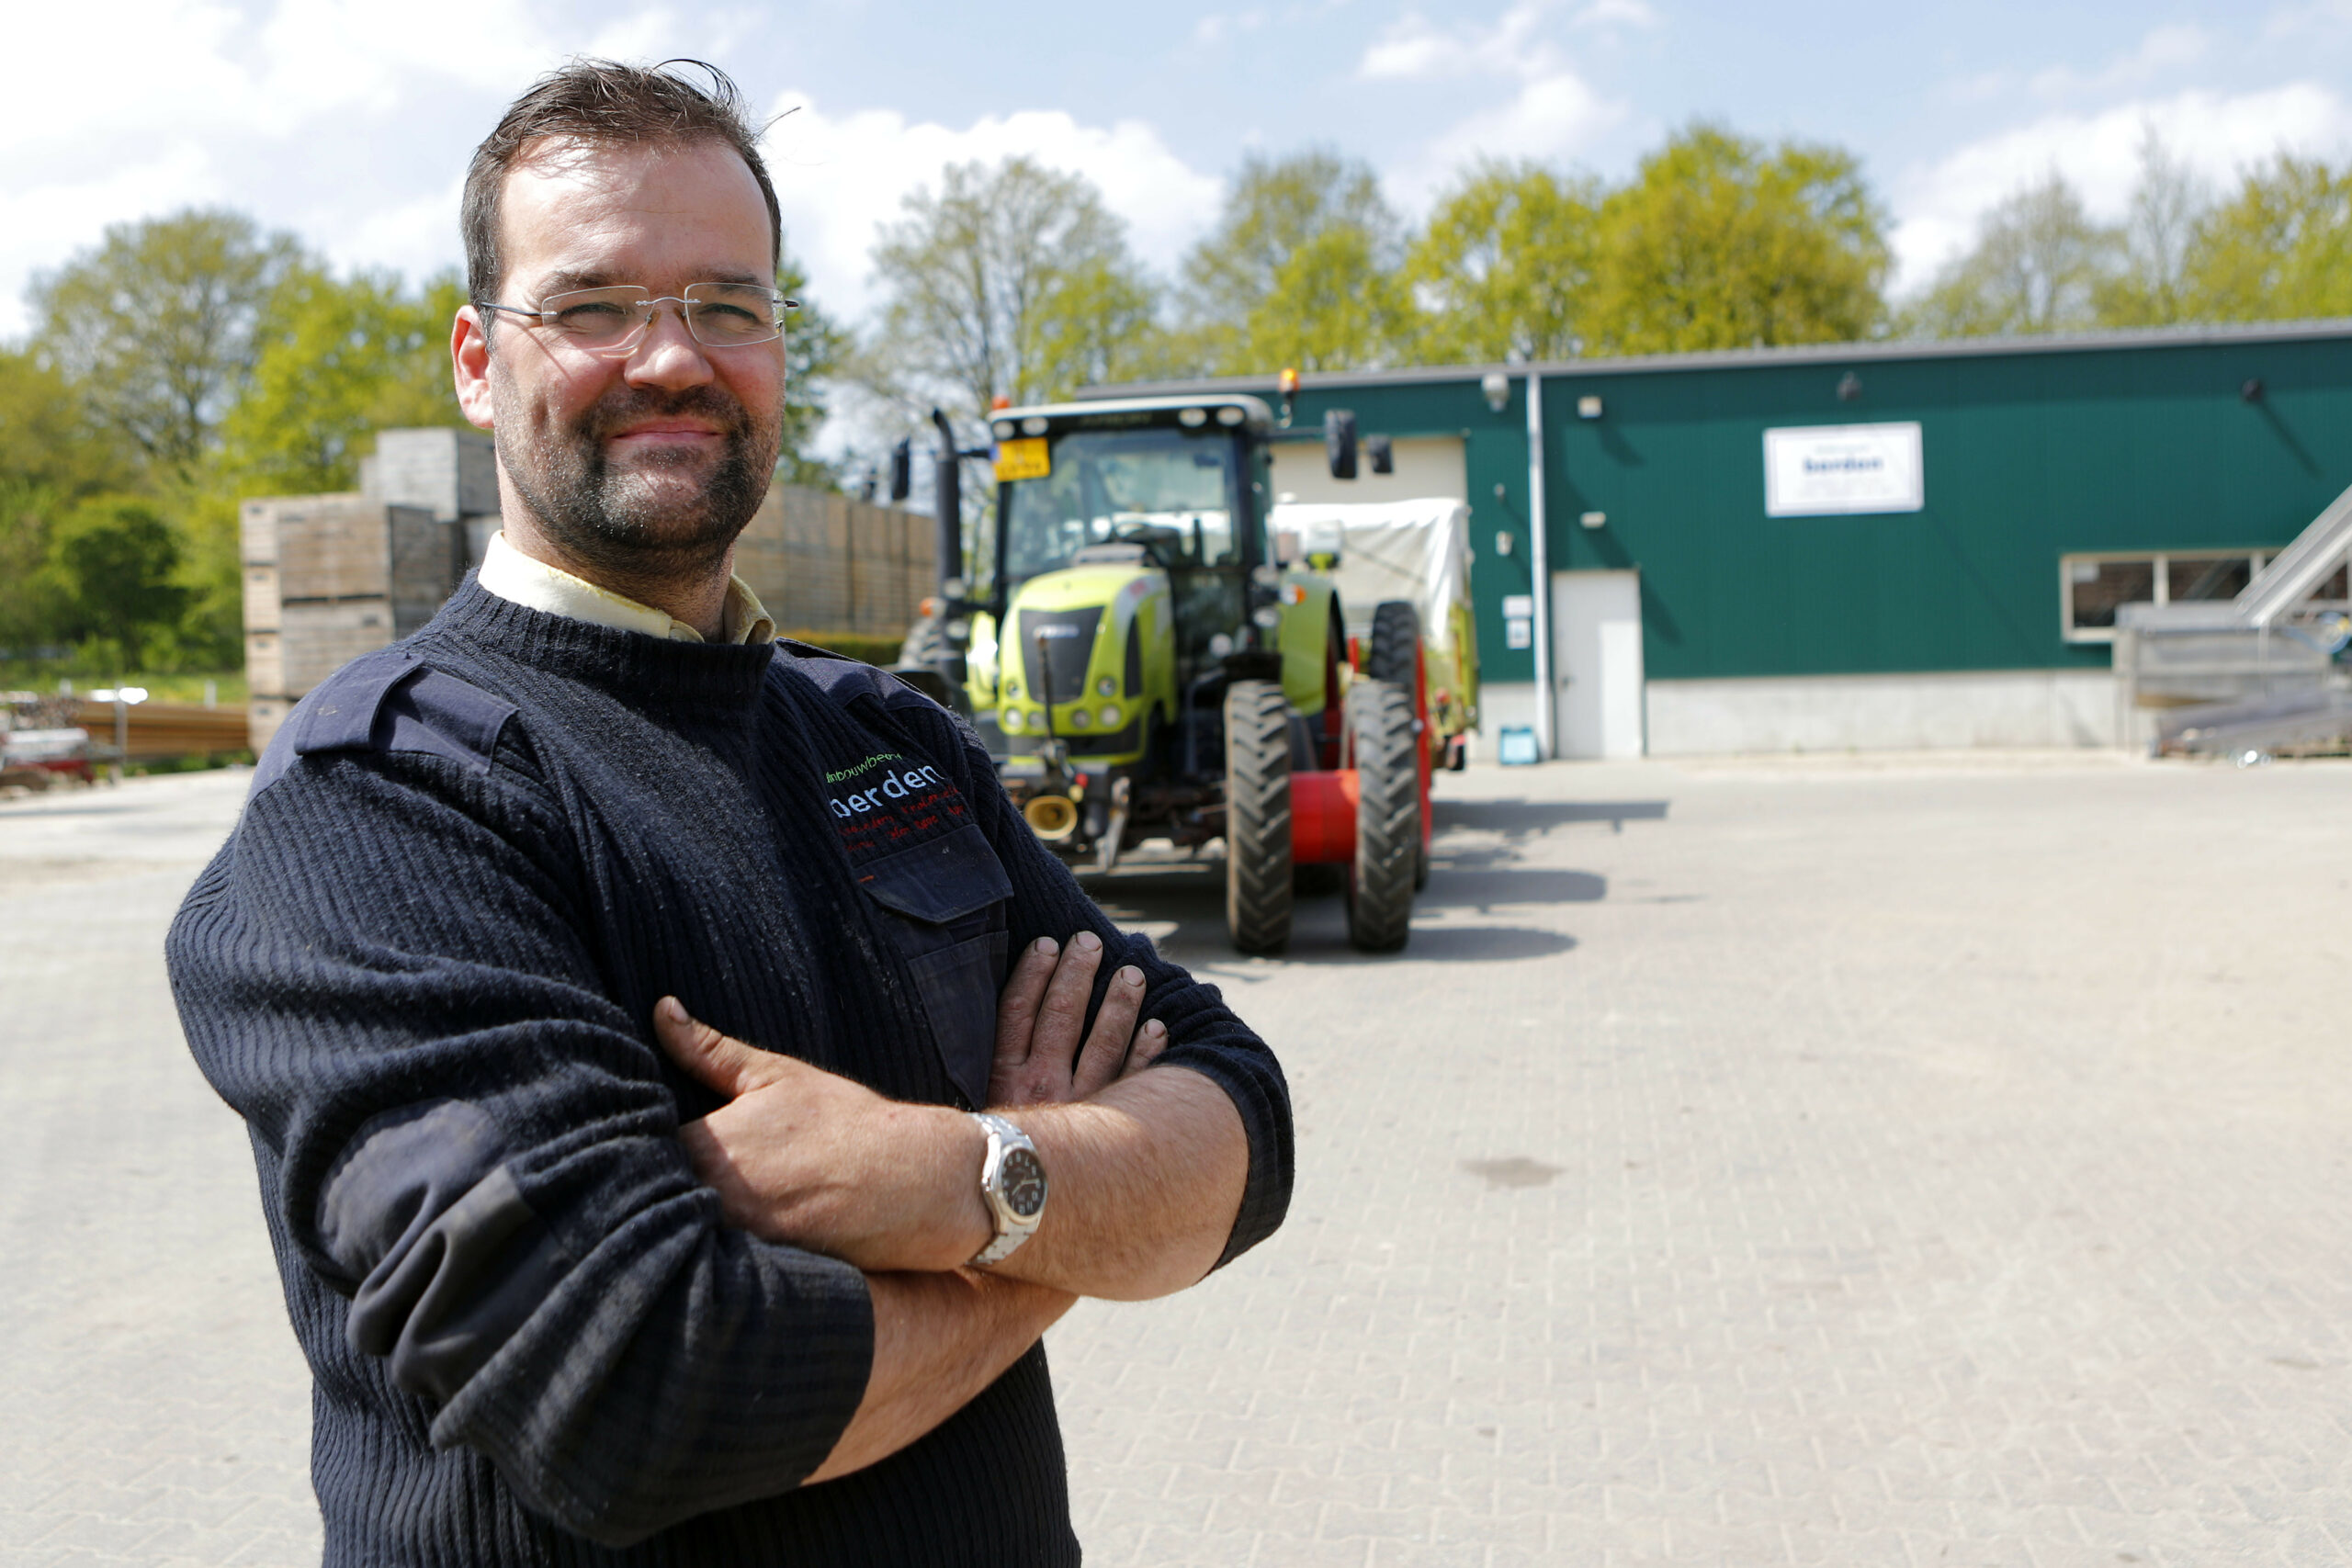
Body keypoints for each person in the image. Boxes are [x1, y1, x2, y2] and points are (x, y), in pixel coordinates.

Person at [165, 59, 1291, 1566]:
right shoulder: (385, 803)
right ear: (477, 362)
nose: (672, 359)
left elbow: (1240, 1120)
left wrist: (948, 1179)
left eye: (728, 305)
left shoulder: (890, 738)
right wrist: (1057, 1221)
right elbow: (638, 1391)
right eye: (590, 307)